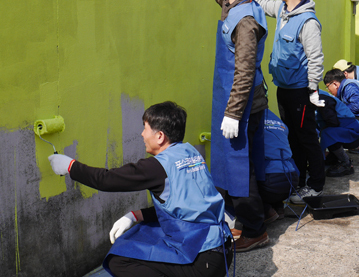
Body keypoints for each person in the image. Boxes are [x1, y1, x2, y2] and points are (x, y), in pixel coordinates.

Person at [47, 101, 233, 277]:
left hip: (201, 260)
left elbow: (106, 180)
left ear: (160, 136)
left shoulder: (157, 167)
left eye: (145, 128)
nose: (142, 134)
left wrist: (70, 166)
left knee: (119, 260)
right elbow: (185, 208)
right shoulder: (191, 154)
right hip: (221, 249)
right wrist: (136, 215)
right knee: (143, 231)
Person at [193, 0, 269, 251]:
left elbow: (245, 71)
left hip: (243, 105)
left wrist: (234, 113)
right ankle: (263, 214)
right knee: (245, 165)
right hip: (243, 103)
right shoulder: (240, 5)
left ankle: (255, 230)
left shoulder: (246, 23)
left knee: (240, 169)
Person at [251, 0, 326, 204]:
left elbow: (316, 58)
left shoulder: (308, 22)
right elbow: (261, 3)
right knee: (292, 137)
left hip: (301, 93)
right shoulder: (283, 10)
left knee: (306, 138)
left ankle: (315, 186)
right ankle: (299, 183)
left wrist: (313, 89)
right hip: (284, 89)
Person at [258, 110, 299, 222]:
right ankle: (279, 208)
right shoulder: (277, 120)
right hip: (292, 180)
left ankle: (266, 210)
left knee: (240, 186)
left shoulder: (253, 117)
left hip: (270, 182)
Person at [315, 89, 359, 177]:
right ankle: (333, 157)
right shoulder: (316, 94)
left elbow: (332, 122)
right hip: (346, 129)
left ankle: (346, 163)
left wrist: (323, 150)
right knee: (325, 133)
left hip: (353, 133)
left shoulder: (321, 98)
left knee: (328, 133)